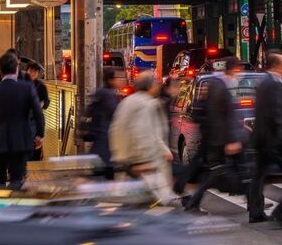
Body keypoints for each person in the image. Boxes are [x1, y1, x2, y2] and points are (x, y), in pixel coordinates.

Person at [0, 53, 45, 190]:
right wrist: (40, 135)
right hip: (20, 141)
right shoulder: (27, 88)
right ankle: (15, 205)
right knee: (17, 180)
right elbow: (38, 113)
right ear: (17, 70)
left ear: (0, 72)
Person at [181, 58, 244, 211]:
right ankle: (193, 202)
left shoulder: (220, 85)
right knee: (216, 173)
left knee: (234, 169)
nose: (239, 74)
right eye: (238, 70)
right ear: (232, 70)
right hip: (218, 139)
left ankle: (254, 201)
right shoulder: (219, 87)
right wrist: (230, 140)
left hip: (217, 138)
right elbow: (219, 117)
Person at [110, 72, 175, 206]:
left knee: (130, 201)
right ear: (150, 86)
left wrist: (119, 154)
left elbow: (115, 129)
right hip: (142, 161)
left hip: (127, 158)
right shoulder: (146, 104)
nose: (158, 87)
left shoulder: (128, 101)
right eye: (156, 84)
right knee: (152, 202)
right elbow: (143, 132)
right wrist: (143, 162)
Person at [85, 66, 123, 180]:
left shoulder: (103, 93)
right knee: (103, 175)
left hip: (101, 141)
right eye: (117, 77)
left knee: (101, 174)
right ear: (110, 79)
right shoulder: (107, 95)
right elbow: (116, 114)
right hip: (104, 142)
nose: (120, 80)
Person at [24, 62, 50, 161]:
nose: (32, 73)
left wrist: (42, 104)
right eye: (30, 70)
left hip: (36, 119)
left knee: (37, 144)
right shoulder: (21, 84)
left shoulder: (41, 86)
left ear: (38, 73)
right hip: (25, 119)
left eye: (35, 71)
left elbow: (47, 102)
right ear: (26, 71)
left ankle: (35, 161)